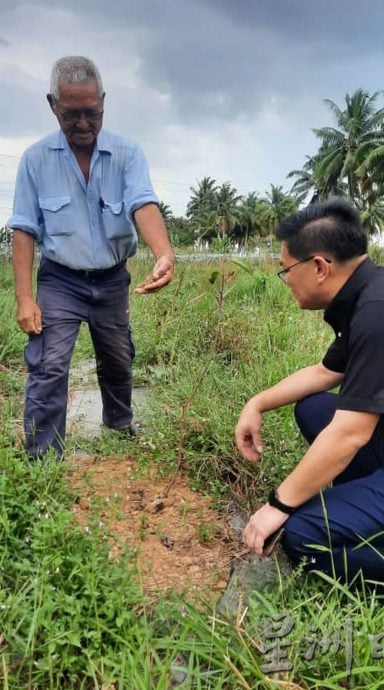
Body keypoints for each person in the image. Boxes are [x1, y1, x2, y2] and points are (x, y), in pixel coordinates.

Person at [235, 199, 384, 631]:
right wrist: (257, 403)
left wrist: (278, 504)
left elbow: (350, 434)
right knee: (313, 409)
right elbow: (326, 373)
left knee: (305, 533)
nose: (284, 279)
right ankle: (377, 514)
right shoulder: (368, 295)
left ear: (320, 267)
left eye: (285, 269)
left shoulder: (381, 311)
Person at [9, 56, 174, 460]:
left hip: (112, 278)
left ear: (103, 102)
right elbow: (24, 229)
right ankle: (44, 459)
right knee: (49, 365)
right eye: (71, 114)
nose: (83, 123)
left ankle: (118, 427)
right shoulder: (35, 160)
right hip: (60, 280)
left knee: (118, 358)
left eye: (92, 113)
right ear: (52, 105)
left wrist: (163, 252)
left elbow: (142, 203)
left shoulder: (127, 153)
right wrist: (25, 298)